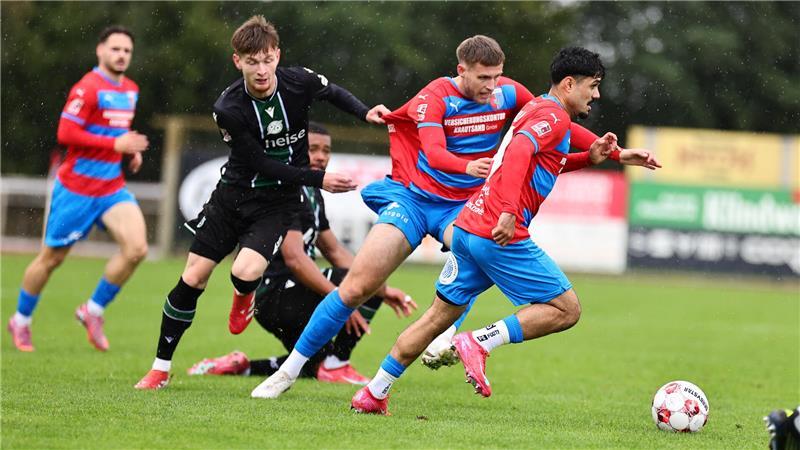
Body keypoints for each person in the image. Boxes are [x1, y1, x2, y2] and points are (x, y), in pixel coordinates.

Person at [251, 35, 657, 399]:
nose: (492, 86)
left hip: (464, 209)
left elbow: (552, 123)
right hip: (418, 199)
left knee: (454, 285)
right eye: (483, 78)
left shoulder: (509, 94)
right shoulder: (435, 97)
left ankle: (420, 355)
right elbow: (434, 153)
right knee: (357, 286)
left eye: (498, 77)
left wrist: (614, 154)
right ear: (461, 70)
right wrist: (474, 172)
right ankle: (288, 372)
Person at [134, 16, 391, 390]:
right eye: (252, 61)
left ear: (277, 56)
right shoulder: (228, 107)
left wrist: (364, 111)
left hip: (276, 203)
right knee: (192, 278)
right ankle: (159, 368)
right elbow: (259, 163)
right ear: (237, 61)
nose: (261, 69)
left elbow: (332, 91)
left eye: (267, 59)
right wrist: (319, 179)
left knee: (246, 271)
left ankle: (243, 297)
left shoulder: (298, 81)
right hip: (231, 198)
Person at [186, 122, 415, 384]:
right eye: (313, 149)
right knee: (359, 282)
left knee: (311, 361)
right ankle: (337, 365)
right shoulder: (285, 189)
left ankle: (242, 366)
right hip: (275, 294)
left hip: (290, 296)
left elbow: (334, 250)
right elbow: (294, 258)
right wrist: (343, 300)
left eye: (326, 150)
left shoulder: (313, 191)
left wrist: (383, 289)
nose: (321, 156)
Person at [7, 25, 150, 352]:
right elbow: (66, 133)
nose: (121, 55)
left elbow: (116, 130)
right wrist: (116, 143)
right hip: (77, 189)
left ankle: (93, 310)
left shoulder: (130, 89)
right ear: (100, 51)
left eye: (127, 50)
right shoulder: (87, 88)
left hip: (111, 189)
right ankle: (21, 320)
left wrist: (130, 148)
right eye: (115, 49)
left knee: (137, 248)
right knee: (51, 259)